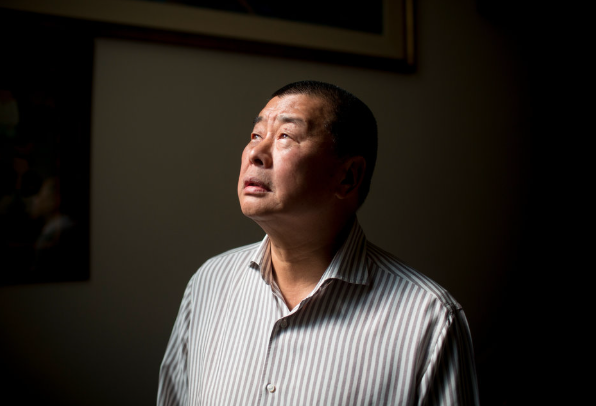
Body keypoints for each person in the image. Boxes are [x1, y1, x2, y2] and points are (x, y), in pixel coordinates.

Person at [157, 81, 479, 405]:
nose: (255, 153)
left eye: (285, 136)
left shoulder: (430, 320)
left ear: (348, 177)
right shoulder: (208, 284)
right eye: (256, 135)